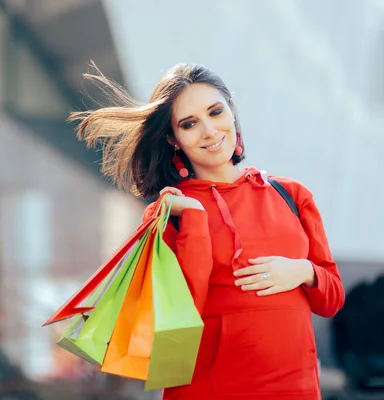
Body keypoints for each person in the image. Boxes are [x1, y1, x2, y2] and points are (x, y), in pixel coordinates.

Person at [69, 63, 345, 400]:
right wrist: (195, 222)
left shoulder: (292, 195)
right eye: (189, 124)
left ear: (231, 110)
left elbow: (331, 299)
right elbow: (181, 317)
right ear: (173, 138)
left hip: (296, 389)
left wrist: (302, 271)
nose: (210, 131)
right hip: (208, 389)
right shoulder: (169, 212)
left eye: (215, 112)